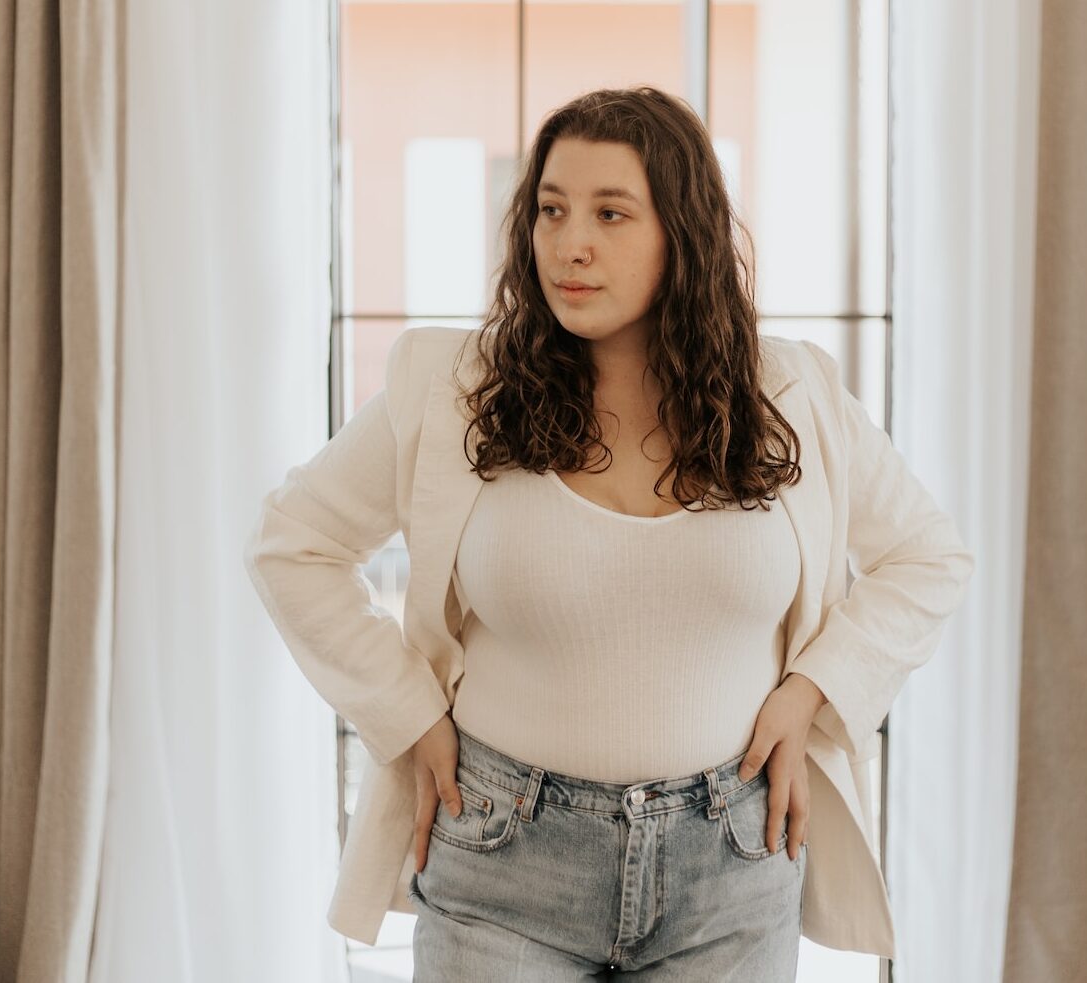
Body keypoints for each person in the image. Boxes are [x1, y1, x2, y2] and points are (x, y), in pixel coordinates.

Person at [244, 86, 973, 980]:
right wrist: (408, 713)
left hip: (733, 869)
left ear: (683, 233)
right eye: (551, 210)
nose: (570, 243)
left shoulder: (790, 395)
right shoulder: (455, 387)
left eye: (610, 213)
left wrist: (812, 691)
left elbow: (928, 558)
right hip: (501, 858)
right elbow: (294, 544)